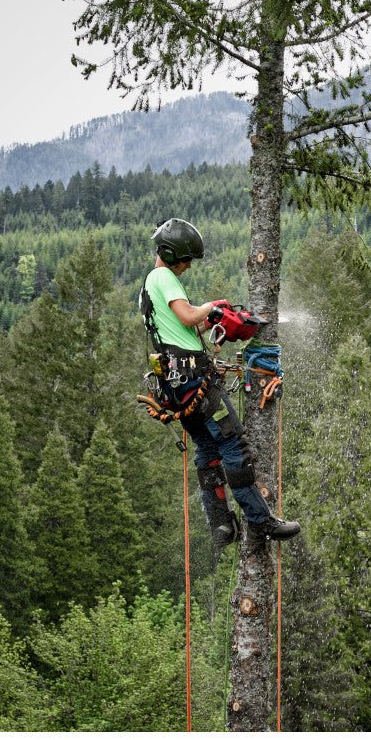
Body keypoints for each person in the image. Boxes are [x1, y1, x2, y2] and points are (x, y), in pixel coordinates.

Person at [139, 217, 299, 561]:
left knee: (208, 448)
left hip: (174, 384)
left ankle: (221, 525)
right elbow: (185, 316)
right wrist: (213, 308)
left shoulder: (149, 285)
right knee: (233, 442)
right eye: (186, 260)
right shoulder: (163, 277)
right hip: (193, 378)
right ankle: (261, 521)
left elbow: (176, 326)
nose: (187, 267)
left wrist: (211, 316)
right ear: (171, 255)